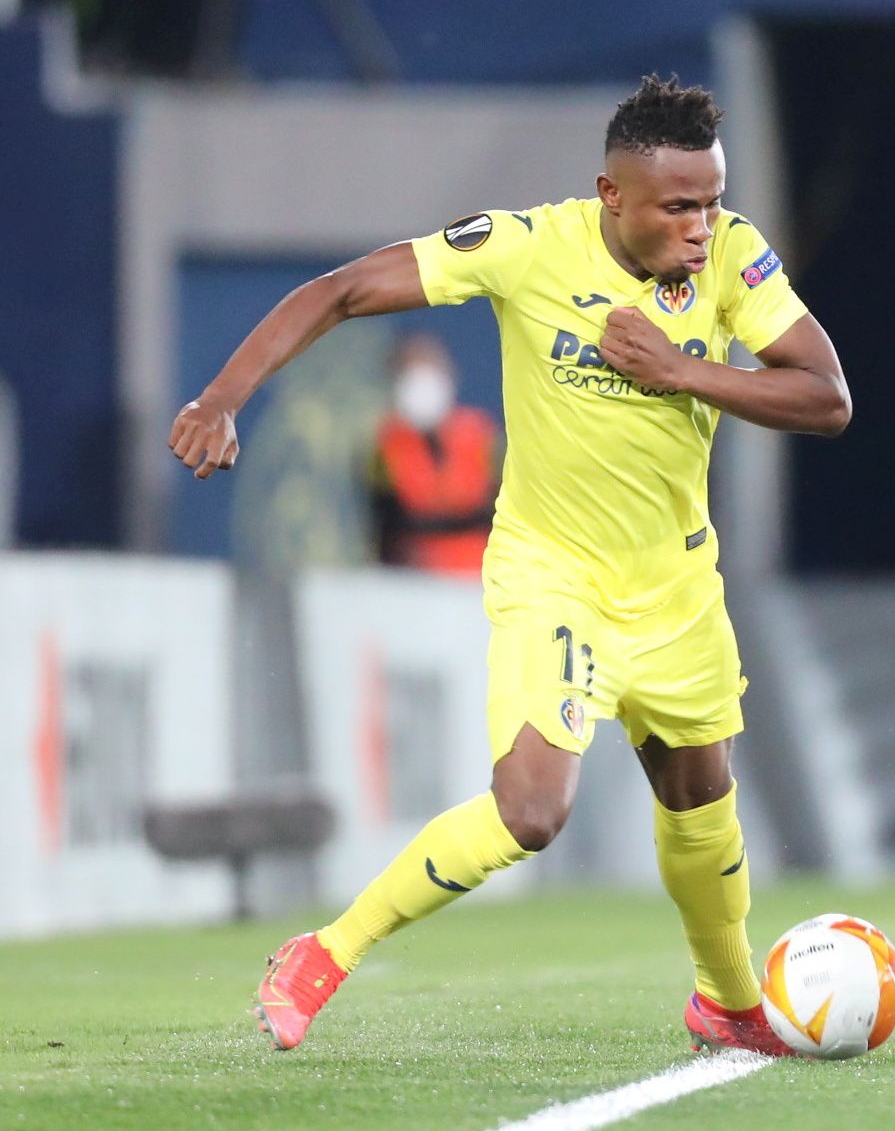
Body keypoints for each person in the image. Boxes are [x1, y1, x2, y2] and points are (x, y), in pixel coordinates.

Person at [169, 75, 851, 1055]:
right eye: (677, 207)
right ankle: (323, 952)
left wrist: (681, 371)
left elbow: (825, 397)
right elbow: (342, 290)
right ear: (611, 194)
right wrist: (223, 397)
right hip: (553, 574)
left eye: (709, 200)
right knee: (532, 812)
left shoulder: (735, 259)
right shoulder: (527, 246)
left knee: (699, 799)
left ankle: (726, 1003)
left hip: (676, 587)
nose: (700, 226)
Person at [369, 332, 500, 578]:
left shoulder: (483, 435)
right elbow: (385, 526)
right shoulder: (385, 447)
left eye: (429, 369)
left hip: (483, 578)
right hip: (418, 583)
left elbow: (501, 508)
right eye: (410, 372)